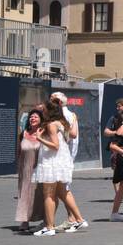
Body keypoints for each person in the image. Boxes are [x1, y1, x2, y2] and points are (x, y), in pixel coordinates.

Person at [31, 101, 75, 236]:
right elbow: (71, 136)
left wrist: (39, 138)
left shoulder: (51, 124)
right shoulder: (61, 123)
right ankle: (76, 219)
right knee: (63, 193)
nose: (41, 112)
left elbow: (55, 145)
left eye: (43, 110)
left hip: (52, 162)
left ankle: (49, 226)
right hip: (60, 161)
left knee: (49, 194)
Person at [46, 92, 88, 232]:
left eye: (51, 100)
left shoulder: (57, 116)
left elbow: (70, 135)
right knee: (62, 189)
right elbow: (74, 135)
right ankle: (72, 218)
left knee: (60, 190)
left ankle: (73, 219)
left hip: (58, 156)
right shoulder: (72, 115)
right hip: (66, 155)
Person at [15, 105, 47, 234]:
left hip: (39, 170)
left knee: (38, 195)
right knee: (24, 195)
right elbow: (19, 151)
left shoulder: (44, 134)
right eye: (31, 116)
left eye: (35, 116)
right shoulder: (24, 133)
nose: (32, 118)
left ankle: (44, 219)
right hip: (25, 169)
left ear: (41, 119)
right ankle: (24, 220)